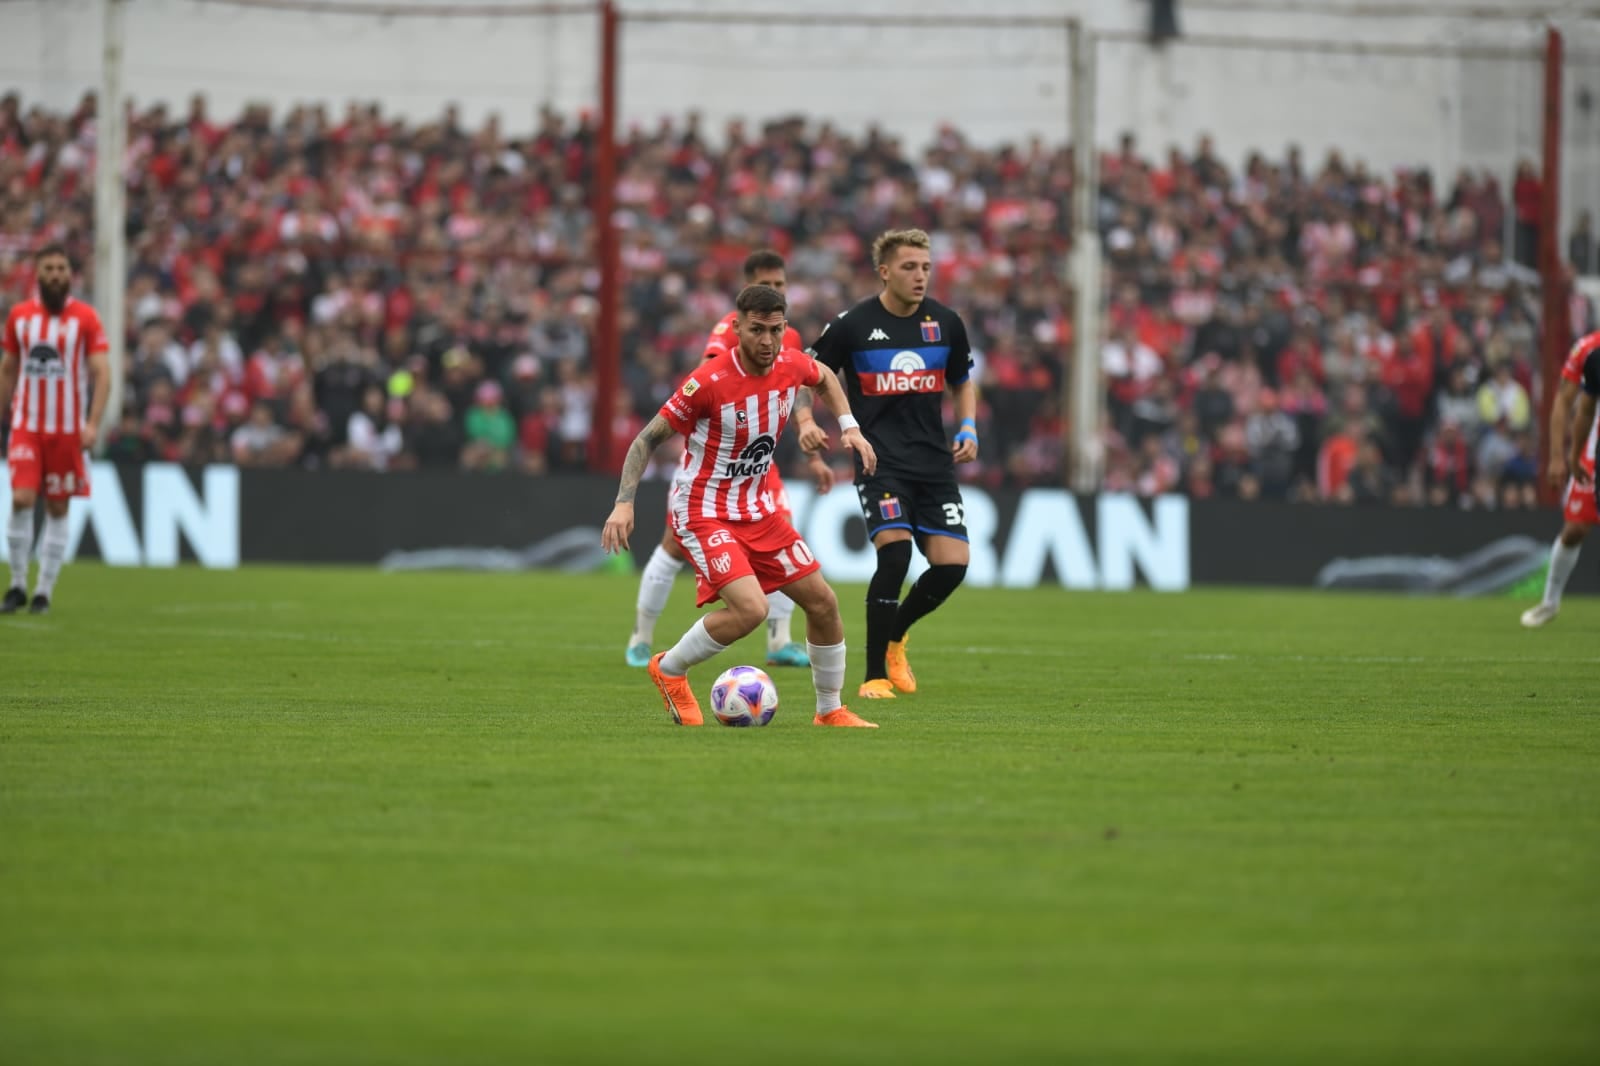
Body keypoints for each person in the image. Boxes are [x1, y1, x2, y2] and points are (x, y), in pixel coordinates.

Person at [601, 283, 879, 729]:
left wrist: (849, 427)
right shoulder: (707, 381)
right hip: (703, 510)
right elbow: (646, 438)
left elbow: (824, 376)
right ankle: (670, 668)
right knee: (753, 610)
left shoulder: (790, 363)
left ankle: (830, 711)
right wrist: (623, 503)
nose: (767, 341)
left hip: (758, 510)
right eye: (756, 331)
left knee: (824, 603)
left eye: (775, 329)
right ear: (737, 328)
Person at [624, 250, 833, 670]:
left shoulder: (784, 337)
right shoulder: (728, 332)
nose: (774, 292)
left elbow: (801, 383)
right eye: (766, 285)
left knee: (782, 542)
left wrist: (809, 436)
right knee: (674, 545)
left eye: (780, 286)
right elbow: (712, 381)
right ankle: (642, 638)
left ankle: (779, 640)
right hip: (714, 465)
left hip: (758, 468)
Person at [808, 228, 977, 699]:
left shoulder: (946, 323)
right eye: (909, 267)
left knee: (952, 567)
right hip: (878, 460)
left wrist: (968, 428)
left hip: (933, 464)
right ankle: (873, 676)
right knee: (896, 555)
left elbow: (962, 380)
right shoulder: (852, 324)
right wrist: (806, 420)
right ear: (885, 272)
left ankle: (897, 635)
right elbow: (809, 374)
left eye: (925, 267)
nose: (920, 275)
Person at [0, 245, 112, 614]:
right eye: (48, 267)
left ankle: (44, 590)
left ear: (69, 274)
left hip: (67, 429)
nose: (55, 274)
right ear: (38, 273)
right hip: (26, 425)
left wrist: (92, 423)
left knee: (59, 507)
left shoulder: (85, 318)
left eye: (61, 268)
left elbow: (102, 372)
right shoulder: (19, 316)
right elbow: (8, 368)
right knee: (21, 498)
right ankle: (17, 583)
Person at [1523, 329, 1600, 627]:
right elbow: (1569, 404)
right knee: (1575, 529)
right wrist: (1560, 456)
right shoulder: (1588, 351)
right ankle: (1549, 602)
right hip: (1593, 450)